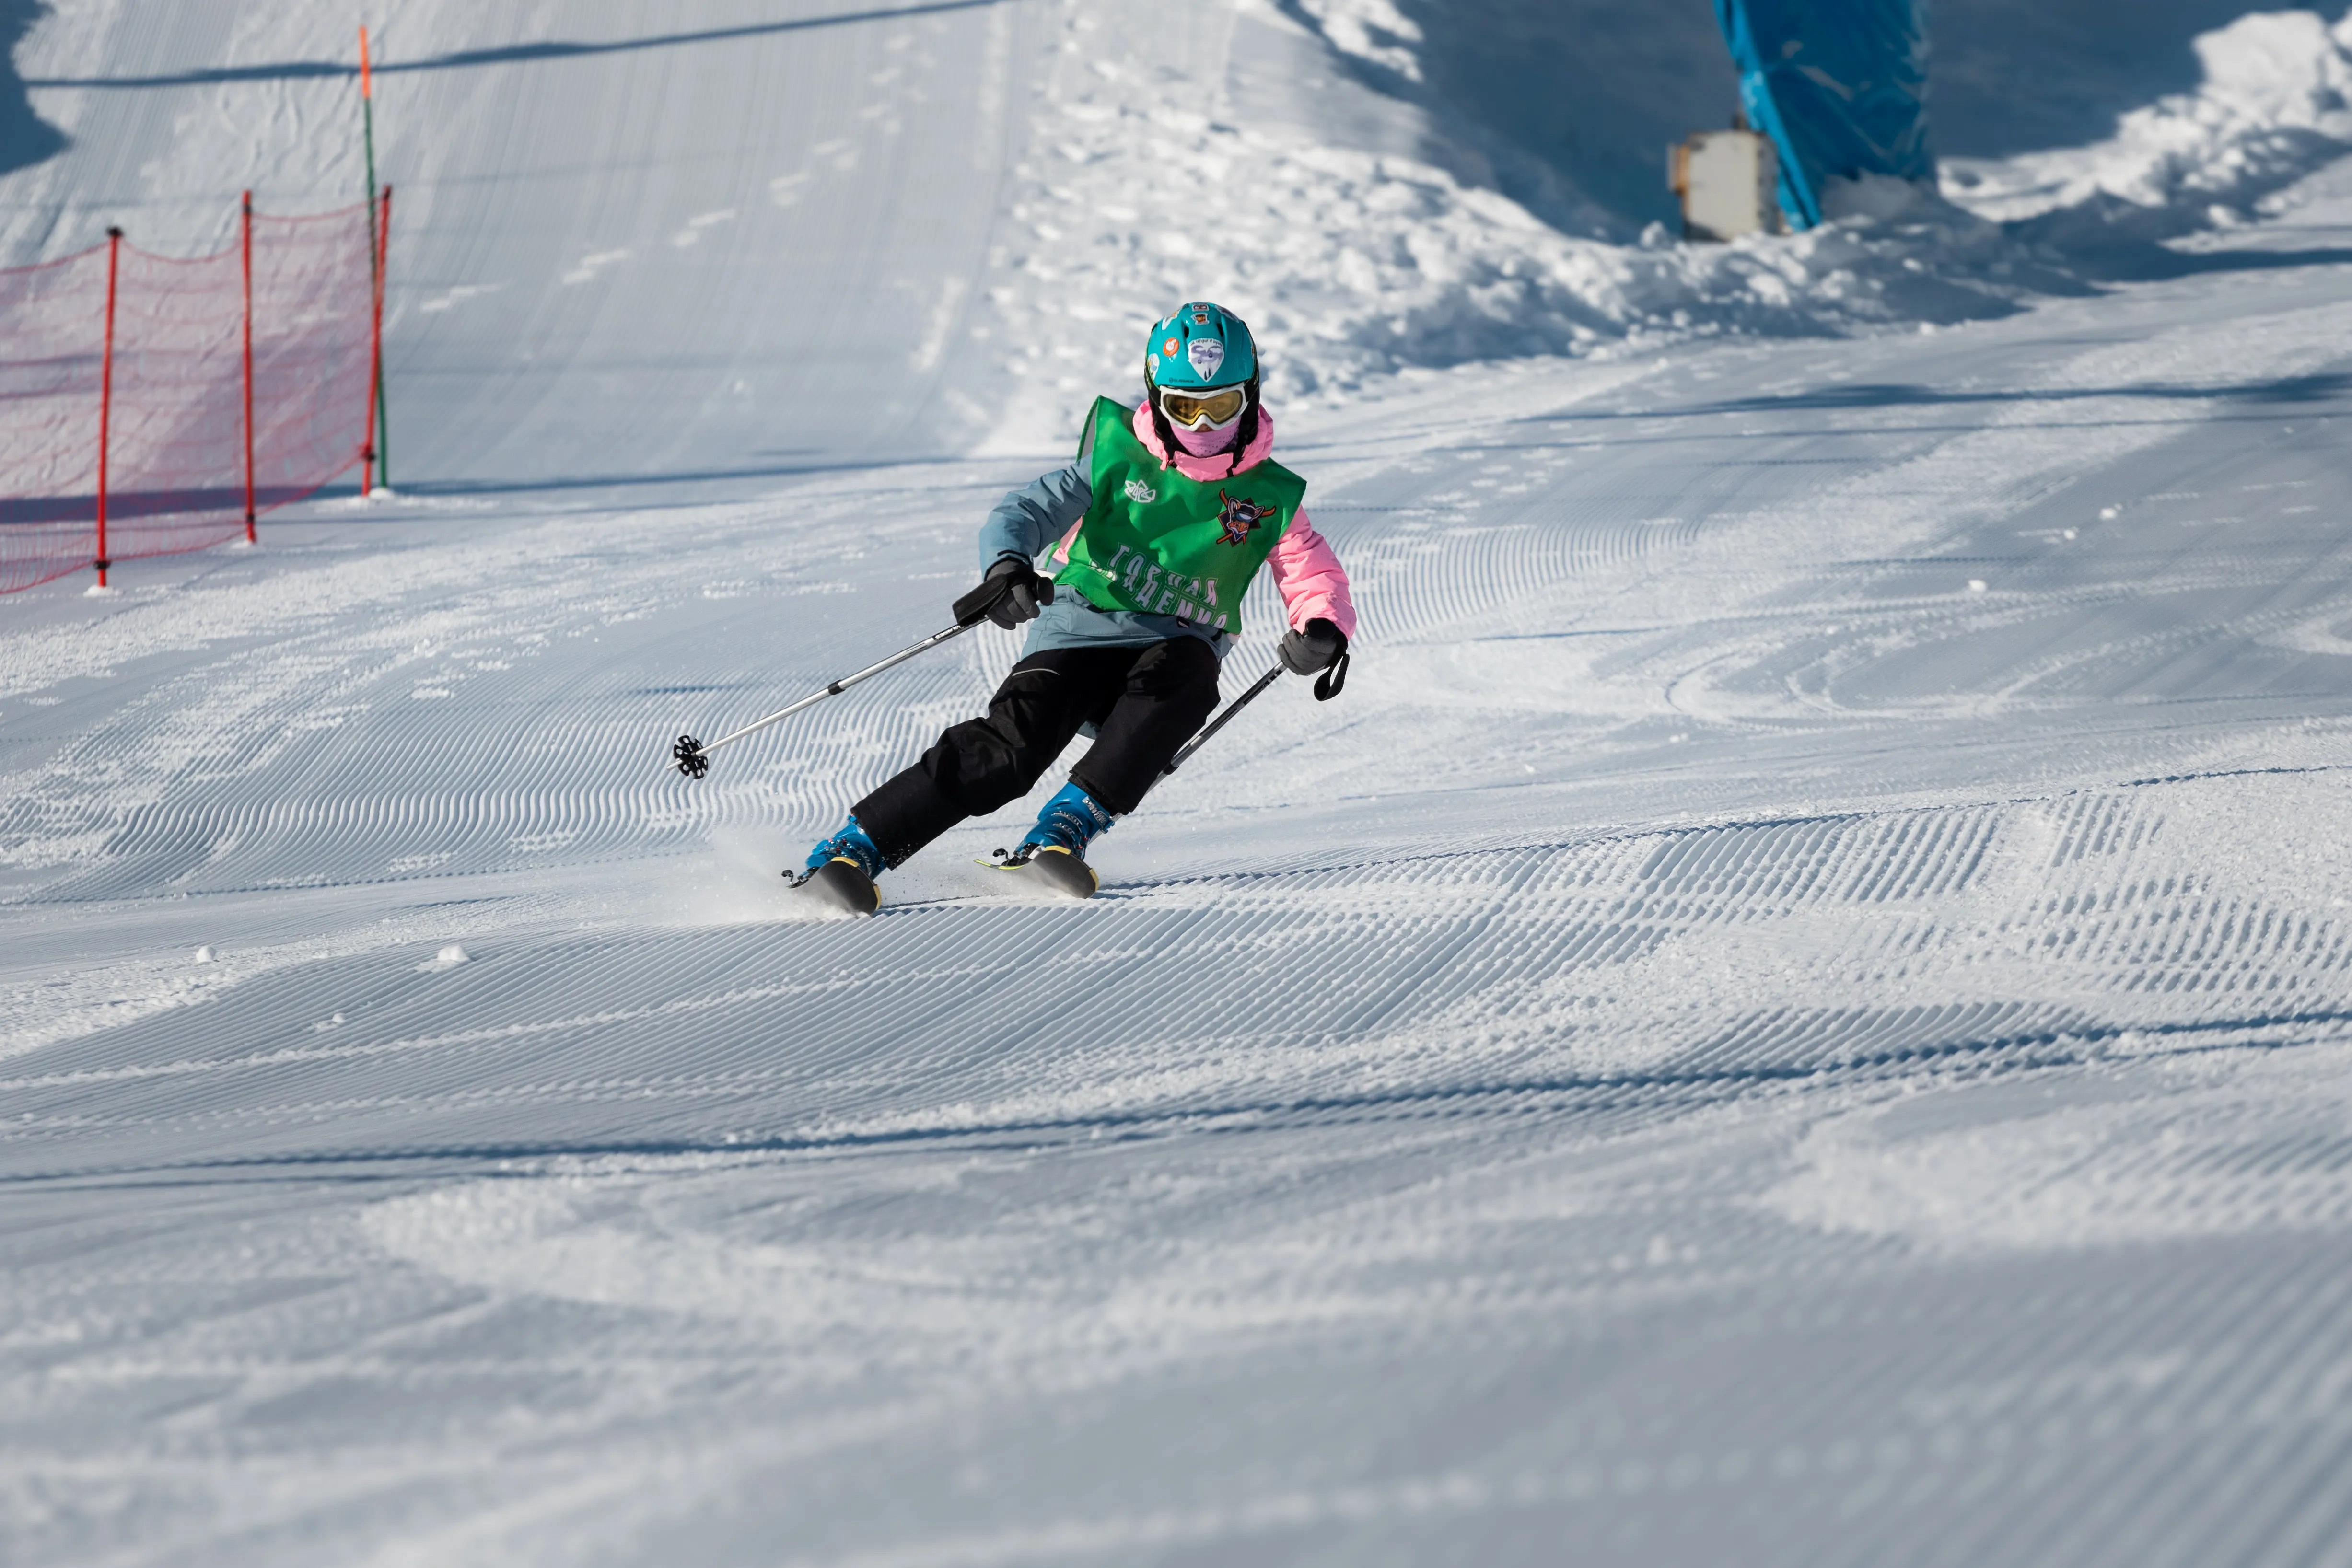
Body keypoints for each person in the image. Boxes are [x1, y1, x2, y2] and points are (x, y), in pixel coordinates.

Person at [794, 301, 1356, 911]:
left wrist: (1321, 624)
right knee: (1014, 746)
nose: (1199, 426)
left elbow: (1308, 564)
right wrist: (1008, 565)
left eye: (1218, 407)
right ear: (1155, 397)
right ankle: (855, 847)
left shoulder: (1269, 495)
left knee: (1188, 681)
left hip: (1177, 640)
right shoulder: (1115, 457)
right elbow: (1026, 510)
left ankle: (1064, 831)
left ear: (1248, 397)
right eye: (1182, 407)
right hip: (1080, 626)